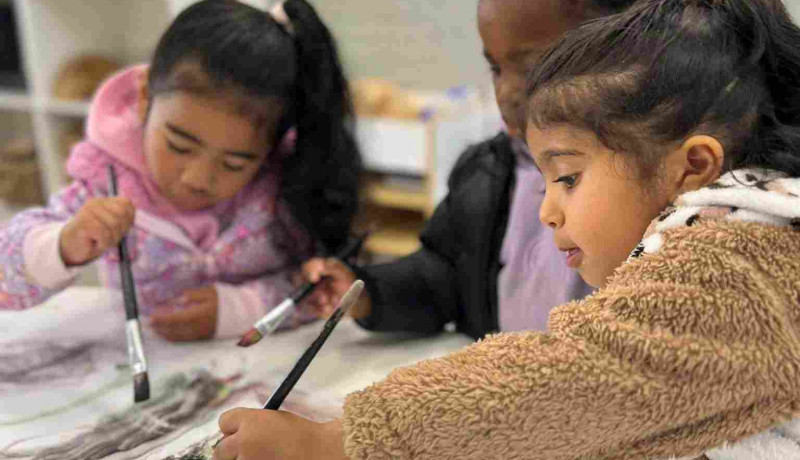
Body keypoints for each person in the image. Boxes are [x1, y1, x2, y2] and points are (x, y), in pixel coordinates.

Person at [213, 0, 800, 458]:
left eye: (568, 177)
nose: (548, 212)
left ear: (692, 167)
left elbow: (563, 383)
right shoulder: (738, 239)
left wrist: (338, 443)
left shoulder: (736, 262)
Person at [0, 0, 361, 342]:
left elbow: (320, 284)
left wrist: (239, 309)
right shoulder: (105, 179)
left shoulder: (289, 183)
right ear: (144, 99)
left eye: (235, 163)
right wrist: (63, 245)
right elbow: (9, 275)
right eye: (179, 146)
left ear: (269, 149)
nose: (198, 179)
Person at [302, 0, 638, 340]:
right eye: (496, 68)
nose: (507, 92)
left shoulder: (650, 179)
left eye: (535, 67)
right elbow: (441, 276)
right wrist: (367, 291)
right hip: (504, 384)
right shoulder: (485, 171)